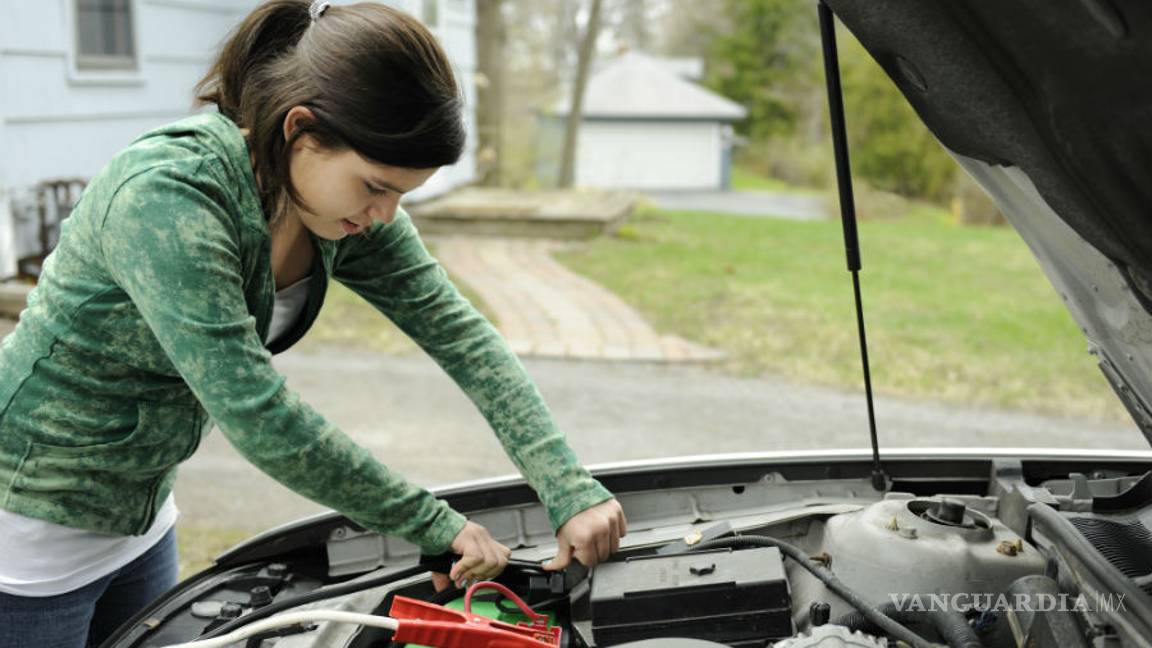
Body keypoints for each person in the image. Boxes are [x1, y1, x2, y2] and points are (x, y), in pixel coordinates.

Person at [0, 1, 626, 646]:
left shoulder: (337, 210)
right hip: (27, 530)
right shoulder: (169, 198)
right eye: (375, 186)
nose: (384, 215)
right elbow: (258, 414)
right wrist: (432, 523)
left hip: (142, 514)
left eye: (400, 195)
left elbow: (459, 335)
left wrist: (569, 487)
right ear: (302, 130)